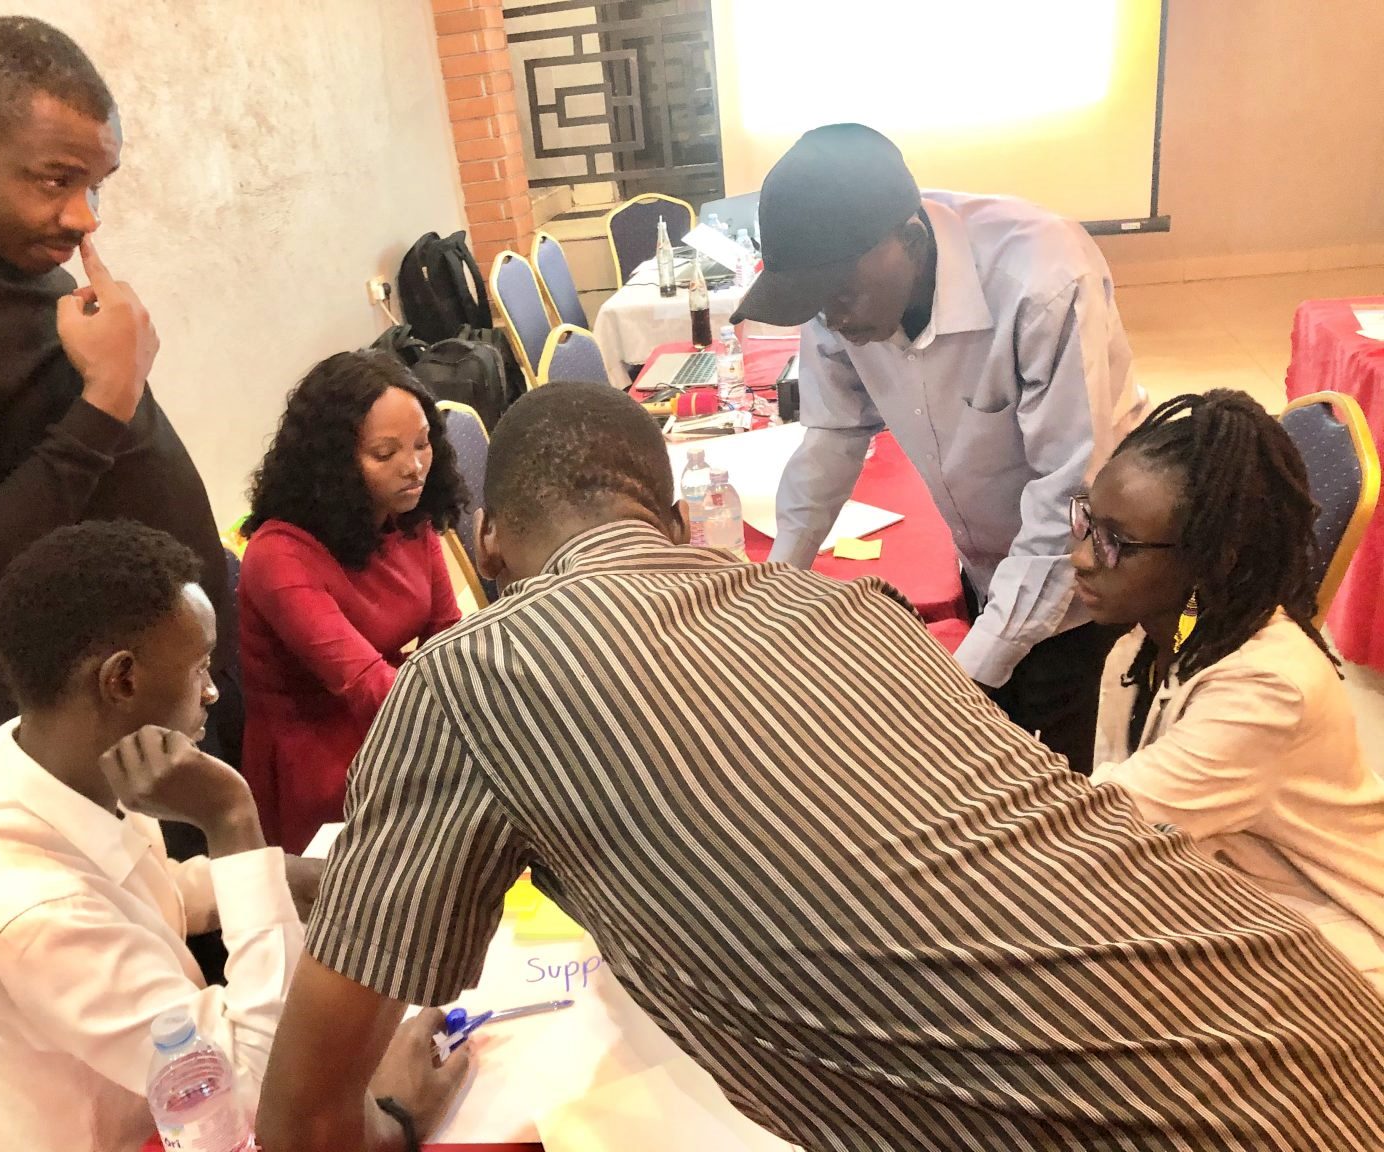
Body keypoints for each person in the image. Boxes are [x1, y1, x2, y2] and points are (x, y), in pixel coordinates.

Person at [256, 382, 1384, 1152]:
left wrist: (395, 1119)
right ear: (667, 508)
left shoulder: (472, 675)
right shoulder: (859, 612)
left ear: (490, 545)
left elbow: (298, 1123)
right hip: (1329, 1028)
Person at [0, 520, 463, 1152]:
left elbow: (143, 889)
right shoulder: (28, 913)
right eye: (200, 667)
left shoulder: (43, 754)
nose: (213, 690)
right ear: (121, 681)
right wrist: (233, 824)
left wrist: (283, 874)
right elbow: (266, 1093)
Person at [0, 17, 240, 759]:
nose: (84, 216)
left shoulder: (10, 249)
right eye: (56, 179)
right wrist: (108, 400)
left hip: (176, 674)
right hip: (93, 726)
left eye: (96, 185)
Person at [731, 123, 1148, 774]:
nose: (833, 320)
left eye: (840, 294)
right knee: (989, 764)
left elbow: (1070, 501)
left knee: (1070, 790)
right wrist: (776, 591)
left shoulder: (1041, 280)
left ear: (913, 242)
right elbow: (833, 437)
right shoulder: (839, 300)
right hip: (986, 566)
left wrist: (970, 676)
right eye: (815, 304)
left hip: (1089, 585)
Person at [1075, 390, 1384, 990]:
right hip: (1231, 899)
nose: (1083, 557)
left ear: (1212, 557)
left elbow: (1097, 828)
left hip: (1337, 954)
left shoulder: (1266, 693)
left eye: (1118, 543)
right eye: (1087, 520)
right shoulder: (1148, 638)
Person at [239, 350, 467, 850]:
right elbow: (363, 685)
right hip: (321, 758)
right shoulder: (278, 556)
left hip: (395, 715)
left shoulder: (406, 513)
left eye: (423, 444)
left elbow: (447, 633)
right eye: (385, 454)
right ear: (332, 464)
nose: (413, 468)